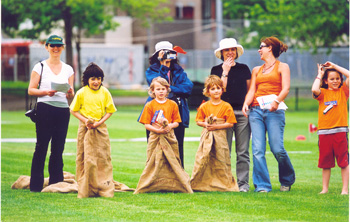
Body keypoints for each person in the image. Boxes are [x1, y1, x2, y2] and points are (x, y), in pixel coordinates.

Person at [242, 36, 295, 192]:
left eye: (261, 47)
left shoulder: (282, 66)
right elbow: (252, 90)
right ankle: (262, 185)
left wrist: (277, 101)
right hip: (256, 111)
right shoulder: (256, 70)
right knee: (258, 149)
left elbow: (286, 88)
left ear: (270, 48)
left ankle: (287, 179)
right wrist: (246, 103)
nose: (259, 50)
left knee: (277, 148)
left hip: (275, 111)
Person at [28, 35, 74, 192]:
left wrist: (69, 93)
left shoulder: (68, 69)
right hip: (45, 108)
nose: (56, 48)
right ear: (47, 47)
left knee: (58, 147)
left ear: (63, 47)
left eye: (59, 46)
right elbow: (31, 89)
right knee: (41, 146)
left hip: (62, 110)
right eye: (52, 45)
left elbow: (70, 94)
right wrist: (46, 92)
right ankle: (35, 184)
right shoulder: (40, 66)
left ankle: (56, 183)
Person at [135, 77, 193, 194]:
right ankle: (150, 183)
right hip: (155, 136)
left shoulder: (172, 104)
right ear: (152, 91)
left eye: (163, 89)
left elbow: (177, 122)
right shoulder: (149, 105)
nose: (161, 91)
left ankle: (175, 183)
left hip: (169, 136)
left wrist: (169, 126)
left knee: (172, 159)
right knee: (153, 159)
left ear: (167, 90)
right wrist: (157, 130)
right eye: (158, 89)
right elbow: (147, 124)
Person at [141, 41, 193, 168]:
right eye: (163, 53)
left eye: (169, 53)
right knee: (154, 146)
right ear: (157, 55)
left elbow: (188, 87)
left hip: (177, 110)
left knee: (178, 145)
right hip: (156, 111)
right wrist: (163, 66)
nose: (166, 56)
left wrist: (170, 89)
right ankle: (153, 177)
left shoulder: (178, 70)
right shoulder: (151, 70)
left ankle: (179, 177)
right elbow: (157, 85)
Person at [70, 62, 117, 198]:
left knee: (103, 156)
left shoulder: (105, 92)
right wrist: (86, 121)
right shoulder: (81, 92)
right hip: (85, 128)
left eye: (98, 79)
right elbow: (73, 110)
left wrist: (99, 122)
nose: (96, 82)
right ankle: (85, 185)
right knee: (84, 156)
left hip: (100, 128)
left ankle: (102, 185)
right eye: (93, 79)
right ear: (87, 80)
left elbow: (110, 111)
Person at [211, 38, 251, 192]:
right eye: (227, 50)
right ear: (221, 53)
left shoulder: (244, 68)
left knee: (242, 152)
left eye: (232, 49)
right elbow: (220, 90)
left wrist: (247, 107)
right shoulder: (215, 70)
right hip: (223, 115)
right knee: (223, 150)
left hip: (242, 113)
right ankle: (226, 183)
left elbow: (249, 91)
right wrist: (225, 72)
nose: (230, 53)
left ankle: (243, 184)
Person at [190, 75, 239, 192]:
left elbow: (230, 123)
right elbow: (198, 121)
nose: (216, 91)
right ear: (208, 91)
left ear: (222, 89)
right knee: (203, 157)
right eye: (212, 89)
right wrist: (206, 125)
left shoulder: (226, 106)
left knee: (221, 158)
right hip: (207, 136)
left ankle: (223, 184)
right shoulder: (204, 106)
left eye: (218, 88)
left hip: (220, 136)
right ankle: (200, 183)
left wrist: (217, 126)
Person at [311, 61, 349, 195]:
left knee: (344, 162)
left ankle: (345, 189)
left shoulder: (343, 92)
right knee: (325, 163)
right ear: (326, 81)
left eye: (337, 79)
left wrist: (334, 67)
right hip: (324, 133)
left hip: (340, 132)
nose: (335, 81)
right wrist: (319, 75)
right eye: (332, 79)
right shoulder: (323, 93)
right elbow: (314, 89)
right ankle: (324, 189)